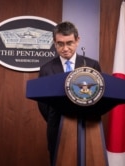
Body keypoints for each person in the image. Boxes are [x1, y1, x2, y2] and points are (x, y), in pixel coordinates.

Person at [37, 21, 101, 166]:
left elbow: (98, 96)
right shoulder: (46, 69)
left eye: (69, 43)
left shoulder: (92, 65)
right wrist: (58, 118)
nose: (65, 48)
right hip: (57, 128)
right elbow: (43, 105)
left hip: (87, 127)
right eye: (60, 44)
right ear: (55, 43)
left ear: (78, 40)